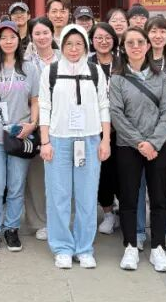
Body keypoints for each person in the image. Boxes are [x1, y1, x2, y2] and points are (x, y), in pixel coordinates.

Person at [39, 24, 110, 269]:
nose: (73, 48)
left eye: (79, 44)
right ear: (61, 45)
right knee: (58, 196)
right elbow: (44, 107)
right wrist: (45, 141)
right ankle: (62, 247)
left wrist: (105, 139)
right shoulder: (50, 71)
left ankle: (84, 247)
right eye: (69, 43)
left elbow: (104, 106)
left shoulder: (95, 71)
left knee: (87, 196)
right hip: (58, 139)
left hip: (89, 139)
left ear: (86, 46)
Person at [109, 27, 166, 272]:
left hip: (157, 147)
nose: (135, 47)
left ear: (148, 46)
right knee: (128, 198)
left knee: (159, 198)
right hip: (128, 147)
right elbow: (116, 114)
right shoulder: (117, 79)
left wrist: (153, 143)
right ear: (123, 48)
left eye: (140, 42)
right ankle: (130, 245)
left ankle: (157, 247)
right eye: (130, 43)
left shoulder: (161, 77)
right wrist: (140, 143)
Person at [0, 21, 40, 253]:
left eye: (12, 37)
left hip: (20, 135)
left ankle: (11, 228)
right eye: (3, 38)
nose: (8, 41)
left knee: (16, 185)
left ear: (18, 40)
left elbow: (36, 100)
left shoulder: (30, 68)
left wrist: (32, 124)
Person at [23, 16, 59, 241]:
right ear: (31, 36)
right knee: (36, 175)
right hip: (34, 122)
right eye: (37, 33)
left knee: (61, 173)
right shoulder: (24, 62)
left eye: (46, 32)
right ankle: (39, 221)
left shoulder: (65, 57)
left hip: (62, 122)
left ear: (52, 34)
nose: (42, 37)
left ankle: (59, 218)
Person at [89, 22, 122, 235]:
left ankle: (124, 211)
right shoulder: (86, 64)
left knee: (122, 171)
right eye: (99, 37)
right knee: (103, 172)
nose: (103, 41)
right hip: (95, 126)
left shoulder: (122, 63)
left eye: (107, 37)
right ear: (92, 40)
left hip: (122, 126)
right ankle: (108, 212)